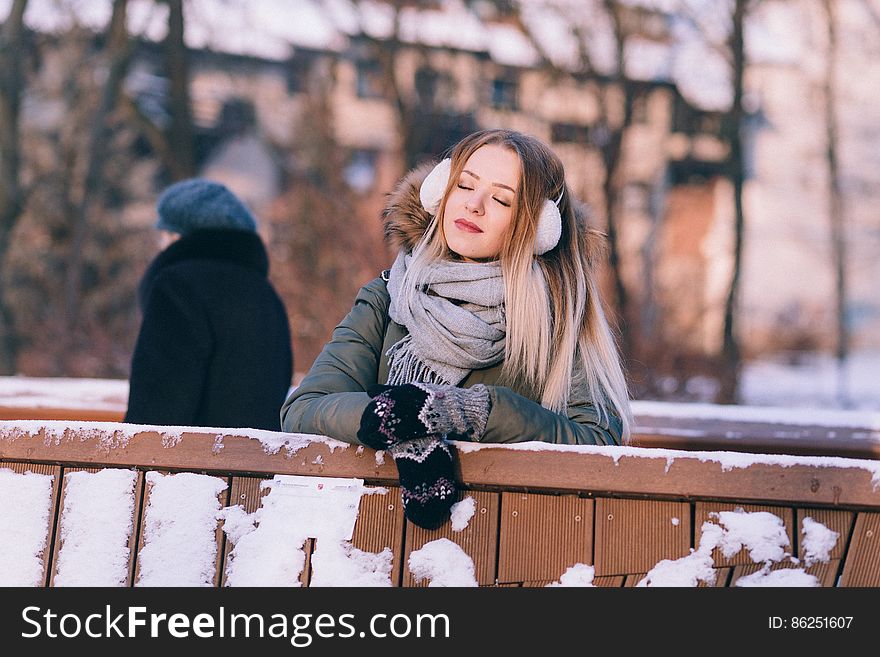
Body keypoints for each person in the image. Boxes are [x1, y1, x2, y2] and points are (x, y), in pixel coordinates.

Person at [281, 129, 631, 529]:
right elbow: (304, 408)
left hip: (503, 543)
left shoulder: (559, 319)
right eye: (464, 184)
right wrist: (398, 420)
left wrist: (477, 412)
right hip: (369, 538)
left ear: (537, 229)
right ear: (439, 194)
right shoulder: (387, 297)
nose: (474, 204)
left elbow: (597, 441)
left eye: (501, 198)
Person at [125, 178, 293, 431]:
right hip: (258, 464)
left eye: (163, 234)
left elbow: (156, 407)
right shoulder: (266, 294)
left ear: (177, 236)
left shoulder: (177, 287)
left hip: (187, 467)